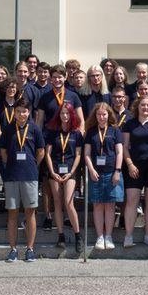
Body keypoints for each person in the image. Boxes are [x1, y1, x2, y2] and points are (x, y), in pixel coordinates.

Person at [0, 97, 45, 262]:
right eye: (18, 111)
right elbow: (3, 151)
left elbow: (41, 152)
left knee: (30, 213)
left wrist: (32, 165)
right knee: (12, 213)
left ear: (29, 112)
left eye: (24, 111)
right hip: (12, 176)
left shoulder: (35, 129)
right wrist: (9, 165)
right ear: (14, 112)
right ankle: (13, 249)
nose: (21, 114)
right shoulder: (8, 129)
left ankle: (30, 249)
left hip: (30, 176)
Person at [121, 96, 148, 248]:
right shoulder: (129, 124)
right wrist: (130, 164)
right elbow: (125, 147)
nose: (146, 108)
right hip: (134, 167)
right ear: (137, 107)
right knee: (132, 201)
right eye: (143, 105)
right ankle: (128, 235)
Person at [83, 103, 124, 250]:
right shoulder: (90, 132)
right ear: (95, 116)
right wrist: (91, 169)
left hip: (112, 172)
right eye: (99, 114)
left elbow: (119, 152)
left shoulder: (115, 131)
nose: (101, 117)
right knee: (98, 204)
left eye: (104, 114)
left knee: (110, 205)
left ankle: (109, 236)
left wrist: (117, 171)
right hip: (96, 173)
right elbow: (86, 154)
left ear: (109, 115)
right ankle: (100, 236)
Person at [44, 103, 84, 253]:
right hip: (54, 170)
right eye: (62, 114)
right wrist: (52, 172)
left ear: (72, 115)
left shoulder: (76, 133)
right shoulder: (52, 132)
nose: (65, 116)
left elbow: (78, 155)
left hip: (70, 170)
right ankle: (60, 235)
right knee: (57, 202)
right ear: (58, 115)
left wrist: (71, 172)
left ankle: (78, 235)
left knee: (68, 201)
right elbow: (47, 153)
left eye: (67, 113)